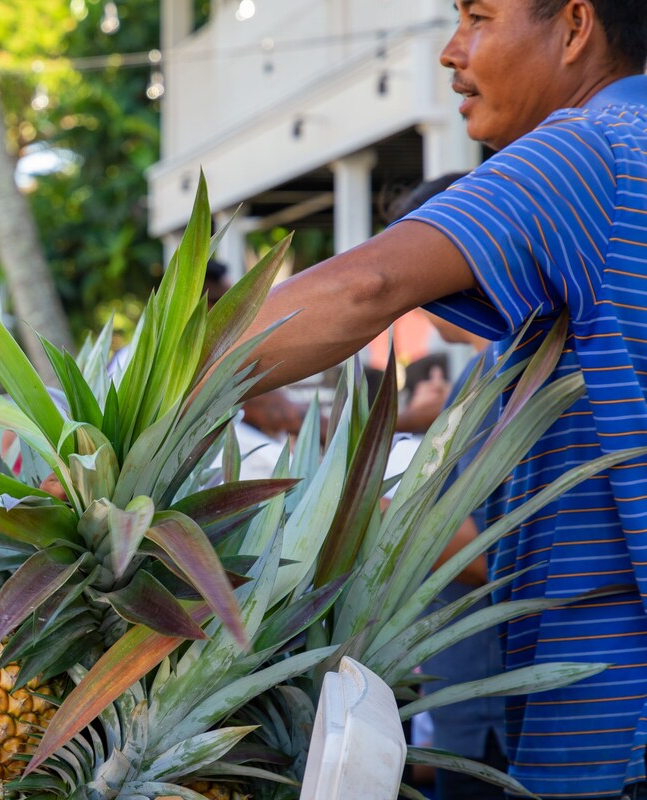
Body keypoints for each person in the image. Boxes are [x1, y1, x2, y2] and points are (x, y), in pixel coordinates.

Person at [228, 2, 647, 796]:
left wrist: (161, 403)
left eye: (479, 17)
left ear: (575, 26)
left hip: (616, 721)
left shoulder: (592, 146)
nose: (452, 53)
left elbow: (366, 287)